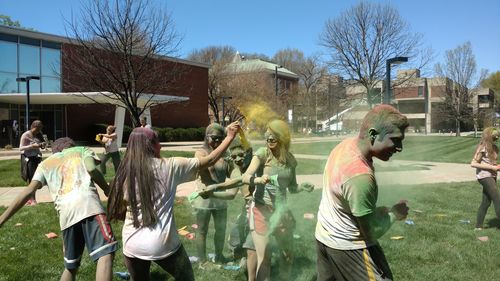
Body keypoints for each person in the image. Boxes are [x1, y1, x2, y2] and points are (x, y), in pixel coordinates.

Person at [107, 122, 240, 281]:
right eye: (157, 142)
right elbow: (210, 160)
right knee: (187, 278)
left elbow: (119, 210)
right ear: (151, 146)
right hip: (163, 244)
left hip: (132, 244)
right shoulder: (170, 166)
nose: (161, 146)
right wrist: (230, 137)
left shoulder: (124, 171)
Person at [0, 137, 117, 281]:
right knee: (105, 253)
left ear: (55, 150)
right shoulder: (81, 150)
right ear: (71, 145)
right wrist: (106, 189)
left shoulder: (45, 164)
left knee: (71, 266)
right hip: (89, 207)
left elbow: (28, 191)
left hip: (66, 216)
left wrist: (2, 219)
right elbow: (92, 169)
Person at [315, 104, 410, 281]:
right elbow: (371, 231)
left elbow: (346, 201)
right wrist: (395, 214)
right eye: (395, 140)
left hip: (324, 237)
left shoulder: (345, 146)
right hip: (349, 246)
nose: (399, 147)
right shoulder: (360, 176)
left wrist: (373, 213)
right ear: (373, 135)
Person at [240, 119, 314, 281]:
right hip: (261, 210)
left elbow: (292, 188)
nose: (268, 141)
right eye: (267, 137)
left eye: (272, 138)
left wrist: (303, 187)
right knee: (264, 256)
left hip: (281, 211)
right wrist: (256, 180)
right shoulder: (262, 154)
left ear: (282, 138)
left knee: (288, 255)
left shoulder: (290, 161)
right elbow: (245, 176)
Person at [198, 133, 258, 280]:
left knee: (248, 233)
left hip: (261, 209)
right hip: (250, 209)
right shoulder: (236, 168)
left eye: (241, 155)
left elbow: (232, 192)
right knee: (238, 234)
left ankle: (253, 258)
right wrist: (212, 192)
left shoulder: (254, 164)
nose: (238, 159)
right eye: (234, 156)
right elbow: (232, 189)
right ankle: (243, 255)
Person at [192, 123, 234, 265]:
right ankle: (202, 260)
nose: (217, 142)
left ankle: (219, 256)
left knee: (221, 229)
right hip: (204, 199)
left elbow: (231, 173)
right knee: (202, 230)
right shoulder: (201, 153)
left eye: (220, 139)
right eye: (214, 138)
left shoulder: (226, 154)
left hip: (220, 198)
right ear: (206, 137)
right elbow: (206, 167)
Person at [470, 127, 500, 230]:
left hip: (492, 176)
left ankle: (478, 227)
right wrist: (492, 167)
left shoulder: (495, 148)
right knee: (497, 198)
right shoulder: (482, 147)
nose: (496, 138)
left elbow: (492, 163)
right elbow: (473, 163)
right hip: (484, 176)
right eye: (494, 137)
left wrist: (496, 167)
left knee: (486, 202)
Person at [19, 120, 45, 206]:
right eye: (38, 128)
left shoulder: (38, 134)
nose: (39, 130)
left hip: (36, 158)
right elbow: (21, 148)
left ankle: (30, 199)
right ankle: (32, 200)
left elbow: (42, 145)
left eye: (40, 129)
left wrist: (42, 144)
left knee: (36, 179)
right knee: (32, 180)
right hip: (29, 159)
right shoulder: (26, 135)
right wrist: (32, 146)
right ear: (33, 127)